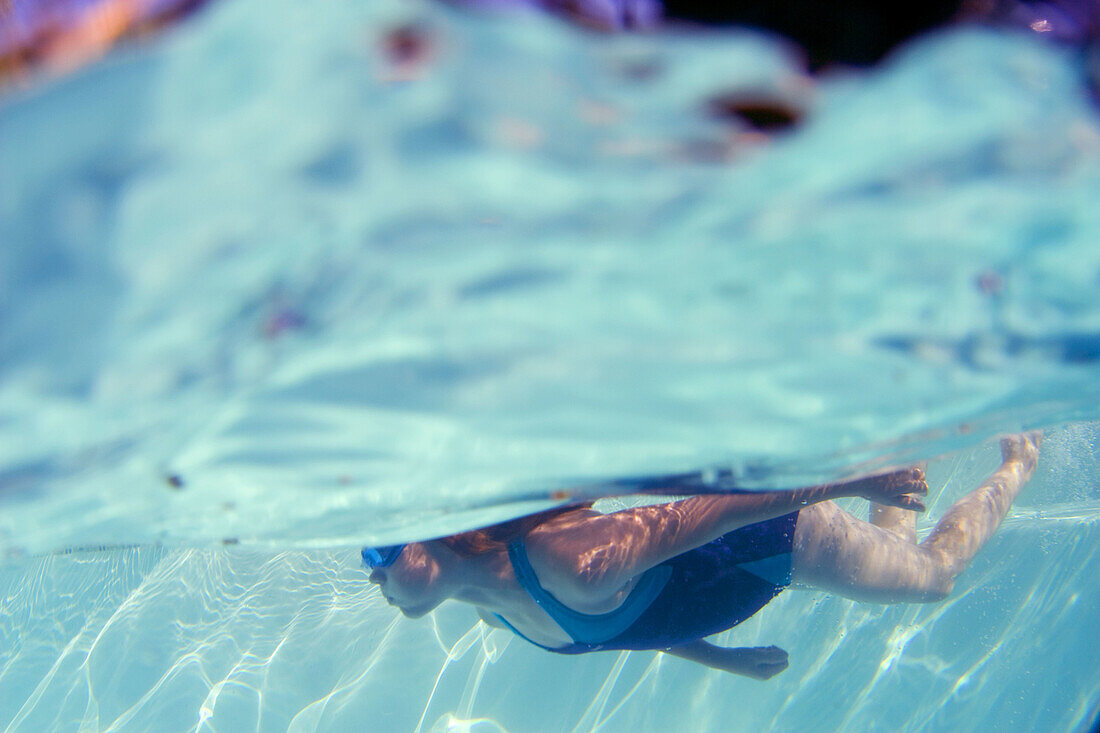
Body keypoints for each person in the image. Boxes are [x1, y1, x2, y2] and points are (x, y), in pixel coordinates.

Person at [364, 433, 1040, 680]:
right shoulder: (486, 608)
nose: (373, 573)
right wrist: (720, 657)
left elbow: (724, 508)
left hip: (772, 539)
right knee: (898, 543)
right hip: (742, 572)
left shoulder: (567, 559)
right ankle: (904, 444)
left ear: (436, 532)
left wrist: (853, 483)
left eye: (380, 549)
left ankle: (1020, 460)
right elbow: (618, 633)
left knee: (934, 576)